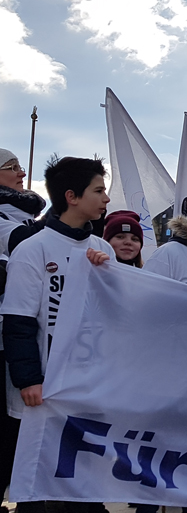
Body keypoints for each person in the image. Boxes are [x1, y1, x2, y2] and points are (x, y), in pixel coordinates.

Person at [1, 157, 113, 513]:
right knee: (41, 489)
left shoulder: (105, 250)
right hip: (43, 392)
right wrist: (28, 380)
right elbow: (18, 322)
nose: (106, 199)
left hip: (89, 388)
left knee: (84, 483)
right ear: (72, 196)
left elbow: (118, 317)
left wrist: (106, 277)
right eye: (98, 190)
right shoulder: (33, 250)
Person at [0, 149, 44, 502]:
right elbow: (22, 245)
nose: (20, 172)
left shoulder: (29, 217)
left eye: (19, 166)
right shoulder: (11, 220)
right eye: (11, 167)